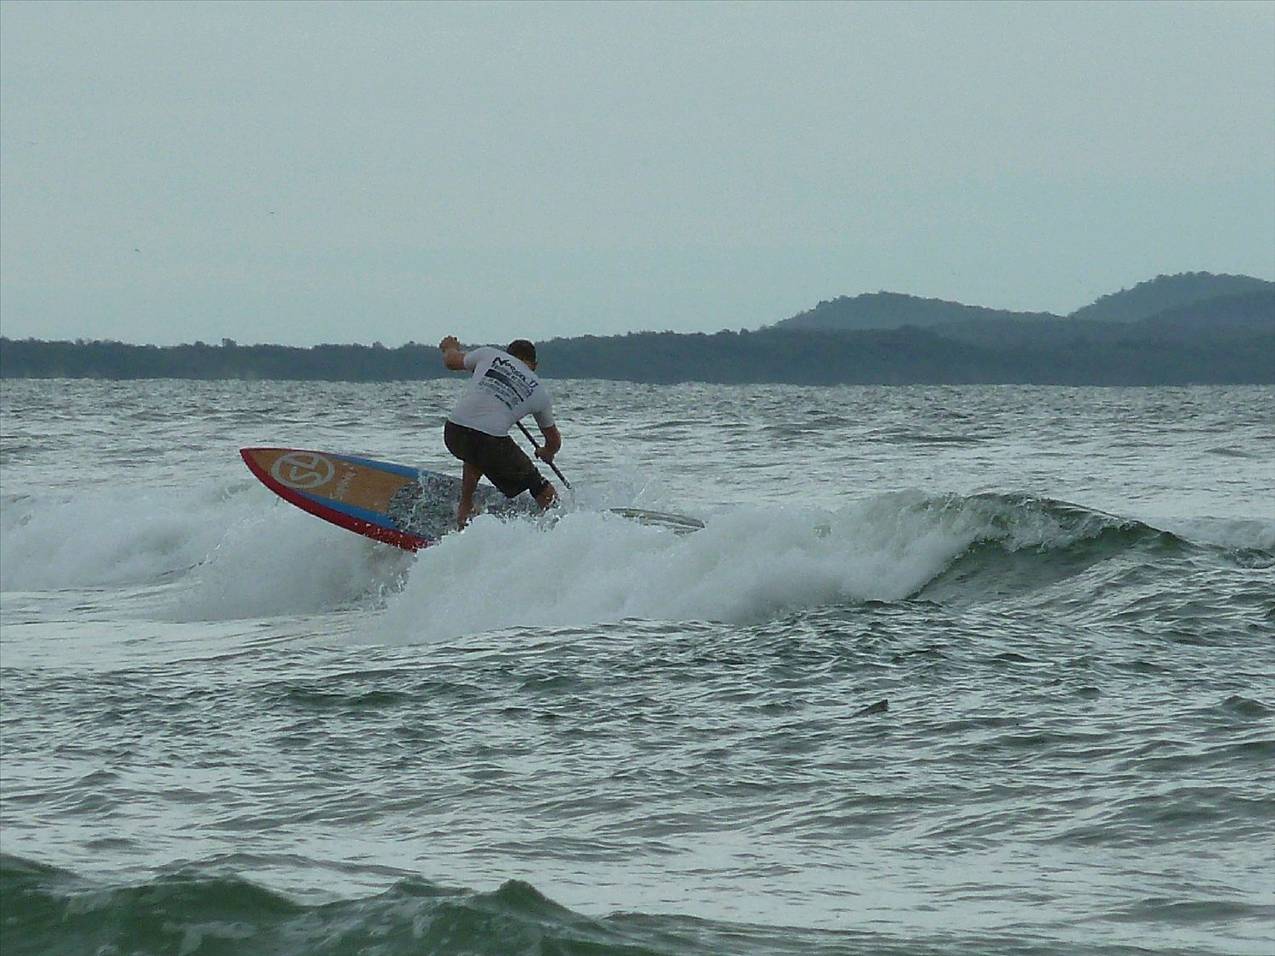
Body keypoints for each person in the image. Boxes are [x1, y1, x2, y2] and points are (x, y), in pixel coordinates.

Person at [438, 335, 561, 529]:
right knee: (538, 485)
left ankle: (465, 506)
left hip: (454, 432)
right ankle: (561, 525)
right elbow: (553, 440)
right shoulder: (539, 392)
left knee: (475, 451)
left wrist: (449, 346)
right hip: (489, 441)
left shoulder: (489, 354)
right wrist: (547, 452)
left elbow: (451, 361)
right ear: (535, 365)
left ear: (507, 354)